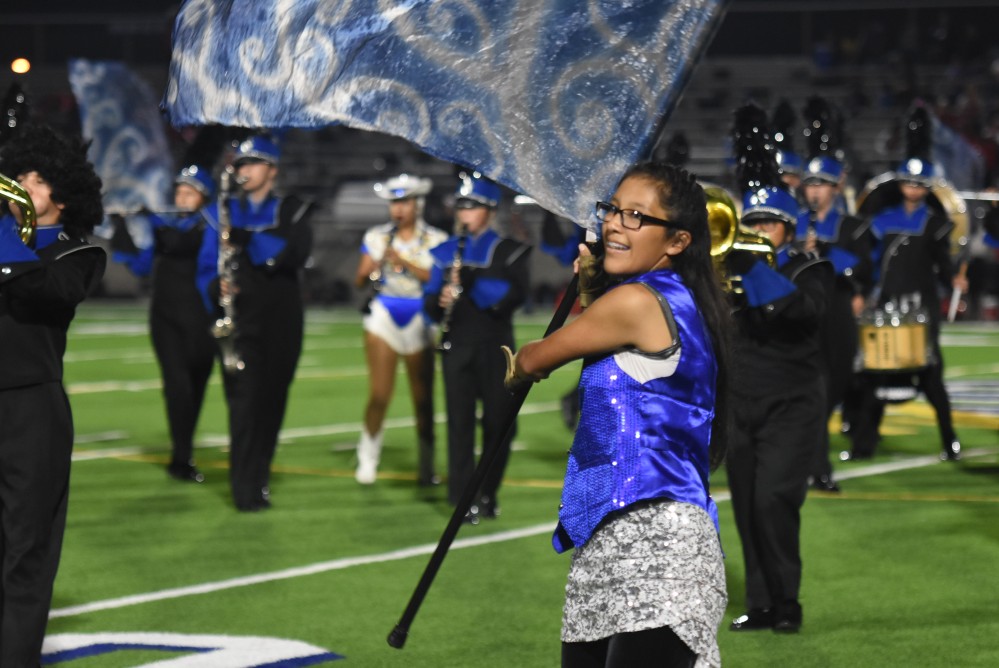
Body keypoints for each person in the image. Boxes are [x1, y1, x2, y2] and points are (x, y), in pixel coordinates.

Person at [505, 162, 731, 667]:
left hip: (658, 546)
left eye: (636, 217)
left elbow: (536, 358)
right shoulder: (678, 300)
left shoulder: (634, 301)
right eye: (612, 209)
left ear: (676, 241)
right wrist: (590, 294)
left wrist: (576, 304)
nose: (614, 224)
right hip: (612, 541)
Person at [725, 103, 834, 634]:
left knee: (773, 498)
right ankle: (762, 602)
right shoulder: (733, 269)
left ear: (788, 228)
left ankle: (788, 602)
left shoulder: (812, 268)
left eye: (771, 222)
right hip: (742, 401)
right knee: (745, 505)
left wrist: (752, 268)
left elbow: (802, 311)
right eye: (755, 222)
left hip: (793, 402)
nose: (762, 230)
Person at [0, 124, 106, 667]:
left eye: (32, 179)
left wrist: (4, 232)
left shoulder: (78, 252)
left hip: (29, 411)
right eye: (16, 174)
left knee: (25, 550)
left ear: (60, 197)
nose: (18, 184)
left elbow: (43, 291)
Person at [196, 135, 313, 511]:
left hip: (282, 320)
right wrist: (218, 288)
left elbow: (294, 254)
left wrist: (248, 240)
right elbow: (204, 270)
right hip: (241, 321)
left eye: (254, 164)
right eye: (241, 165)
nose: (245, 171)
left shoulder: (293, 210)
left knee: (272, 402)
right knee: (243, 405)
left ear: (272, 170)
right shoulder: (224, 212)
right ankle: (243, 488)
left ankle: (259, 478)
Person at [423, 173, 530, 523]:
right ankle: (461, 499)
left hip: (496, 348)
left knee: (501, 426)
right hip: (458, 346)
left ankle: (487, 491)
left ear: (489, 209)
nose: (464, 213)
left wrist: (470, 281)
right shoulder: (444, 252)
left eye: (472, 206)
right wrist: (439, 302)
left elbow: (511, 299)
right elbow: (429, 308)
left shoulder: (509, 251)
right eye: (461, 205)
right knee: (459, 424)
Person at [846, 156, 966, 461]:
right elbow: (870, 262)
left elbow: (942, 264)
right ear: (901, 185)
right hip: (885, 304)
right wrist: (861, 292)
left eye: (918, 185)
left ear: (926, 189)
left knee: (931, 374)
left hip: (922, 308)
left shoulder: (934, 225)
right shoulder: (882, 221)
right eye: (908, 183)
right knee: (875, 373)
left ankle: (949, 439)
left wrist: (954, 278)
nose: (912, 189)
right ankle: (863, 445)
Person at [111, 165, 217, 483]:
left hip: (203, 317)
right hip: (166, 318)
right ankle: (180, 458)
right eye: (179, 191)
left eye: (190, 191)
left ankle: (184, 450)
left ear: (203, 197)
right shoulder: (163, 226)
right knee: (178, 387)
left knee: (196, 387)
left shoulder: (213, 223)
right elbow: (142, 266)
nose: (182, 197)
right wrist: (122, 227)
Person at [353, 174, 448, 485]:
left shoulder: (436, 239)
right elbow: (359, 280)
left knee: (423, 399)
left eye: (405, 201)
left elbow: (435, 279)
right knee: (379, 394)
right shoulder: (376, 236)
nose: (399, 209)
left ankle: (426, 465)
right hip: (384, 312)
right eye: (395, 202)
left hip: (420, 314)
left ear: (417, 204)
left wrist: (403, 262)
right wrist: (371, 268)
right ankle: (367, 459)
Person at [796, 155, 873, 491]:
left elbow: (863, 267)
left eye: (821, 185)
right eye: (810, 184)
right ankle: (819, 467)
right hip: (802, 311)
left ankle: (809, 458)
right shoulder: (794, 223)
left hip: (838, 310)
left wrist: (823, 249)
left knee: (837, 385)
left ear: (835, 188)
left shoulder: (852, 226)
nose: (815, 191)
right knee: (816, 391)